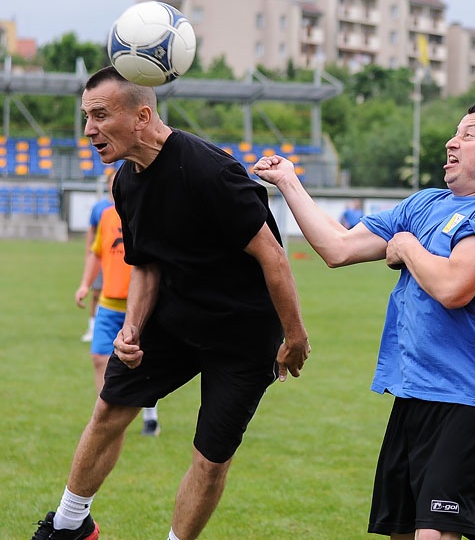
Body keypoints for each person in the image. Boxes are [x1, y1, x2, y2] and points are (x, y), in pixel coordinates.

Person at [32, 66, 311, 540]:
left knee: (210, 459)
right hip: (175, 322)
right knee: (109, 410)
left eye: (100, 116)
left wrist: (295, 336)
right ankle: (70, 523)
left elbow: (273, 256)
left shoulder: (209, 170)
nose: (88, 130)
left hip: (242, 339)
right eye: (86, 117)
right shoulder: (126, 183)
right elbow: (147, 263)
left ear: (142, 115)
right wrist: (134, 326)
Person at [254, 102, 475, 540]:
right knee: (403, 532)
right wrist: (289, 180)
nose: (451, 142)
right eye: (455, 132)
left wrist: (406, 245)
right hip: (413, 394)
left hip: (469, 401)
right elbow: (338, 248)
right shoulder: (425, 203)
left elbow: (454, 287)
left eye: (469, 134)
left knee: (434, 535)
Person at [74, 182, 161, 437]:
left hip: (140, 306)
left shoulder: (149, 214)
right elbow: (97, 253)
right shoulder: (106, 216)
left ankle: (150, 416)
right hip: (109, 304)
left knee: (143, 363)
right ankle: (105, 415)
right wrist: (85, 284)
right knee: (99, 357)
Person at [80, 174, 114, 342]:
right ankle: (93, 328)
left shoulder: (128, 204)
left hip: (118, 260)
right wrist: (89, 253)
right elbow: (92, 230)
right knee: (96, 293)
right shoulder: (100, 207)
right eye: (112, 181)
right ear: (107, 184)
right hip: (101, 257)